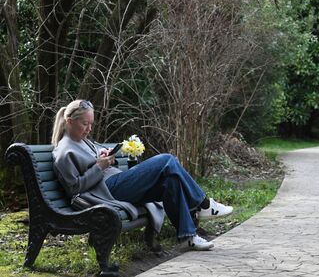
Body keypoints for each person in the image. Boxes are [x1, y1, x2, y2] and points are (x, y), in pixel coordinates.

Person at [51, 99, 233, 251]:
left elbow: (91, 162)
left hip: (114, 183)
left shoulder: (82, 141)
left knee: (170, 180)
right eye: (85, 124)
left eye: (91, 124)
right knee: (167, 160)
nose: (89, 129)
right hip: (107, 191)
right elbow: (74, 188)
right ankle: (203, 204)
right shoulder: (64, 151)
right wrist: (99, 167)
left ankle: (188, 237)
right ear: (69, 121)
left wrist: (102, 157)